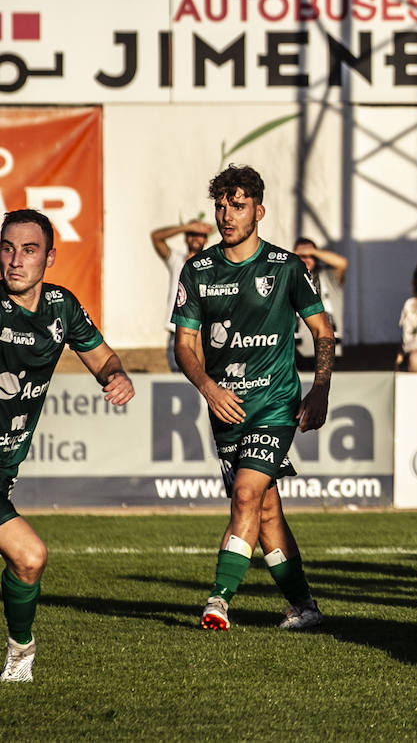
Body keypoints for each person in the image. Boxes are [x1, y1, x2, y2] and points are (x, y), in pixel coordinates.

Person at [172, 164, 334, 632]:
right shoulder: (197, 270)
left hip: (275, 403)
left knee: (245, 494)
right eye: (221, 206)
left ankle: (218, 601)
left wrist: (319, 389)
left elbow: (323, 331)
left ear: (258, 211)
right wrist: (208, 387)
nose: (227, 215)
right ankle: (304, 607)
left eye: (237, 205)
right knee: (264, 511)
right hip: (226, 407)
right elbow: (184, 346)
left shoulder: (286, 268)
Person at [0, 210, 135, 682]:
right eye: (7, 248)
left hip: (3, 471)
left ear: (49, 258)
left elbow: (102, 357)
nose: (16, 261)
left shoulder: (62, 307)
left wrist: (115, 375)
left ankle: (21, 654)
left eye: (29, 249)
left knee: (29, 558)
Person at [151, 219, 211, 371]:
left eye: (200, 235)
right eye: (192, 234)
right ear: (185, 237)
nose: (196, 238)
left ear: (206, 239)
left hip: (200, 334)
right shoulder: (177, 261)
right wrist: (187, 226)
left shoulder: (212, 265)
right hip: (176, 331)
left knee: (200, 383)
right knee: (179, 382)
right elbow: (156, 237)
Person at [293, 238, 347, 371]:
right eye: (302, 256)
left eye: (310, 256)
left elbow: (342, 263)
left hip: (328, 349)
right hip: (297, 351)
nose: (306, 259)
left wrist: (312, 251)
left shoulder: (328, 276)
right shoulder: (290, 277)